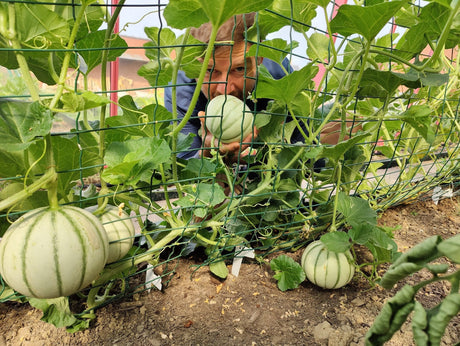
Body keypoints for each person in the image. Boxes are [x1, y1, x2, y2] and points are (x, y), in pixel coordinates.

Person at [164, 13, 298, 161]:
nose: (225, 90)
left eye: (239, 69)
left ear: (259, 58)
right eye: (210, 70)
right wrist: (207, 154)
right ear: (194, 62)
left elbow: (307, 154)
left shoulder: (279, 72)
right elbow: (184, 164)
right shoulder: (181, 89)